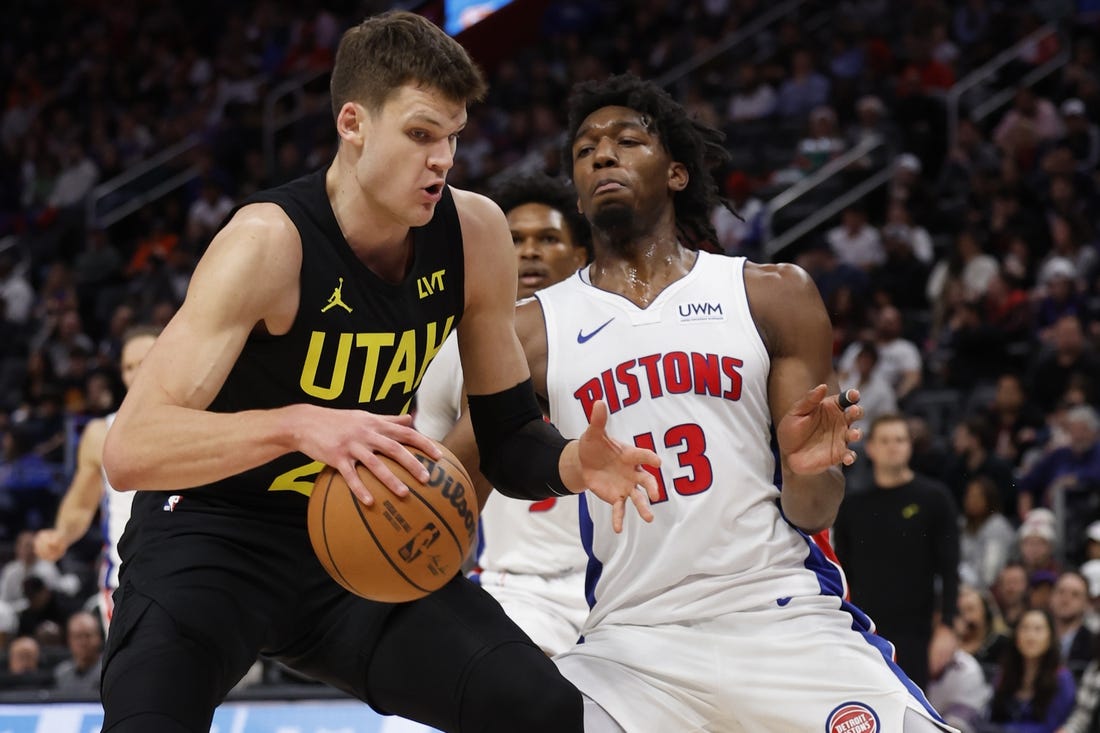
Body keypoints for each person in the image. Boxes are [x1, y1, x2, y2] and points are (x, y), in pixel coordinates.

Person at [99, 13, 660, 733]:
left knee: (540, 708)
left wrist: (572, 462)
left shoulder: (475, 231)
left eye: (453, 137)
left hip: (362, 537)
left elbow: (507, 432)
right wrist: (298, 424)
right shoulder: (267, 243)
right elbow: (132, 449)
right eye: (421, 134)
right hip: (213, 538)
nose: (442, 160)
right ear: (353, 123)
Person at [453, 72, 955, 731]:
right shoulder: (530, 330)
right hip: (630, 643)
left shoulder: (772, 294)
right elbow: (457, 483)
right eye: (585, 149)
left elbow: (815, 509)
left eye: (628, 140)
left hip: (781, 616)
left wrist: (808, 469)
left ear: (678, 173)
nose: (603, 153)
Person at [415, 171, 591, 656]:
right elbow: (431, 482)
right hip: (513, 590)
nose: (530, 251)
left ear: (581, 256)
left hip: (617, 583)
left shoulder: (619, 344)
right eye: (515, 240)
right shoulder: (451, 352)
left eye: (548, 239)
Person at [33, 326, 158, 629]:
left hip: (195, 570)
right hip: (126, 582)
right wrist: (61, 535)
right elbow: (80, 504)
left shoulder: (204, 419)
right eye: (128, 366)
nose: (135, 372)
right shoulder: (101, 433)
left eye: (145, 361)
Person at [984, 608, 1076, 732]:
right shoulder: (1004, 673)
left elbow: (1051, 727)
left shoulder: (1062, 678)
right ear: (1016, 635)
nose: (1030, 635)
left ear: (1050, 637)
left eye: (1038, 629)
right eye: (1025, 628)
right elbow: (992, 716)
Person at [52, 610, 103, 696]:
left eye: (88, 635)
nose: (83, 642)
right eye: (77, 636)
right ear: (69, 640)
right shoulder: (62, 674)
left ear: (99, 638)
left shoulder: (108, 671)